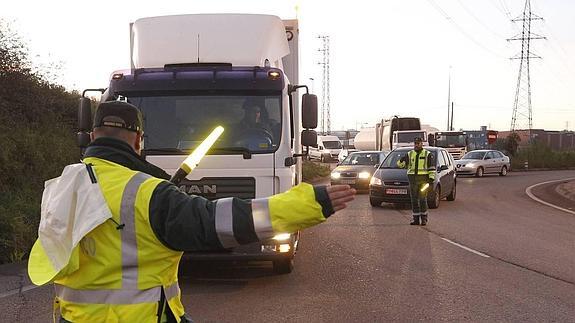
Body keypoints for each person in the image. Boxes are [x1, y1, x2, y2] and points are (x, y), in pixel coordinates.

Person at [28, 101, 356, 323]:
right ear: (139, 140)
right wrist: (313, 202)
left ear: (92, 135)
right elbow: (224, 222)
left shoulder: (60, 185)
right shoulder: (150, 194)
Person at [397, 137, 436, 226]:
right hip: (413, 180)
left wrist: (431, 179)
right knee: (414, 200)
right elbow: (400, 165)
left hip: (424, 181)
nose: (416, 145)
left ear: (422, 144)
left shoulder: (427, 154)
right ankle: (416, 219)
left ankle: (424, 219)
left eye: (418, 143)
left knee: (422, 199)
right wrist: (401, 160)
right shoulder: (410, 154)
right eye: (415, 143)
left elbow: (432, 168)